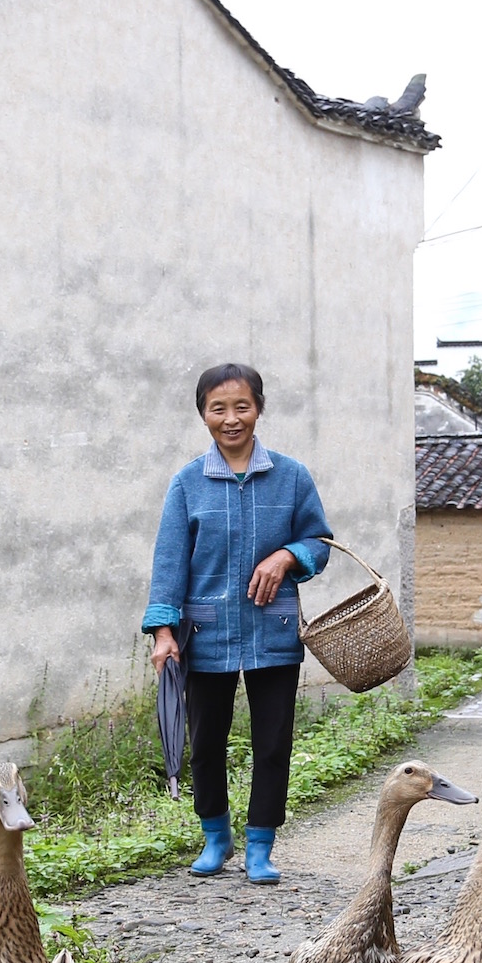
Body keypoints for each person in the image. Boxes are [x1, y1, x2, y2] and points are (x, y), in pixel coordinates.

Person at [141, 362, 333, 883]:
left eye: (241, 407)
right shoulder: (187, 483)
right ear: (203, 414)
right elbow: (169, 563)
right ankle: (216, 837)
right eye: (218, 409)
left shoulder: (291, 476)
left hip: (273, 629)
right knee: (206, 742)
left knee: (273, 743)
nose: (231, 419)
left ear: (259, 409)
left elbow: (319, 541)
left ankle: (260, 847)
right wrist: (163, 632)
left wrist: (287, 556)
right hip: (206, 633)